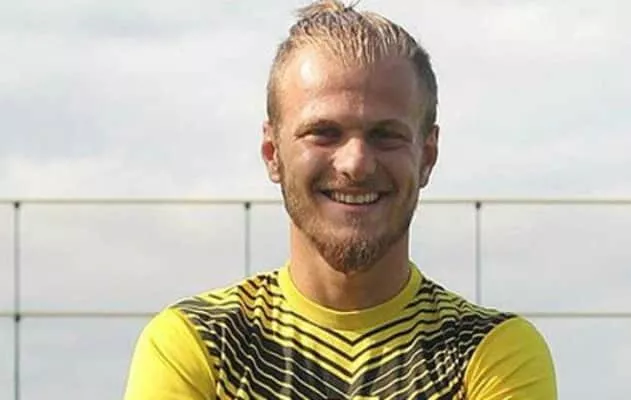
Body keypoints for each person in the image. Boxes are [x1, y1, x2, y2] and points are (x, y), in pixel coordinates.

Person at [123, 1, 557, 399]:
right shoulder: (200, 343)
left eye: (385, 135)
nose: (356, 163)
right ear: (273, 153)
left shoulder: (491, 352)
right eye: (324, 133)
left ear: (427, 156)